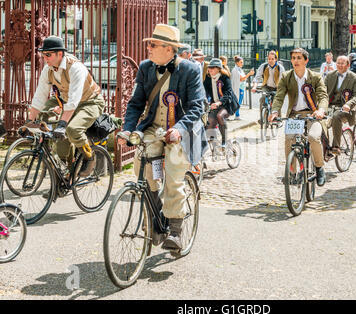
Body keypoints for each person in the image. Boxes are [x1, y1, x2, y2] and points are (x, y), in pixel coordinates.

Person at [118, 24, 207, 251]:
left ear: (169, 49)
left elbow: (198, 106)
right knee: (142, 166)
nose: (148, 48)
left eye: (153, 44)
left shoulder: (190, 69)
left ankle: (176, 232)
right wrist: (128, 129)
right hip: (153, 129)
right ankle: (158, 219)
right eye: (149, 44)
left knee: (174, 172)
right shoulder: (146, 68)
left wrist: (179, 128)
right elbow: (136, 103)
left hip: (180, 131)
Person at [28, 35, 105, 193]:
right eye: (43, 55)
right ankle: (65, 177)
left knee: (72, 130)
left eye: (48, 55)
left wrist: (63, 124)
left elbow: (74, 100)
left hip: (90, 102)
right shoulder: (48, 70)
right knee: (61, 139)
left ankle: (89, 157)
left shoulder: (75, 67)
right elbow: (40, 96)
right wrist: (28, 122)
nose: (45, 58)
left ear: (60, 54)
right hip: (70, 103)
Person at [268, 48, 329, 187]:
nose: (295, 61)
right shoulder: (286, 76)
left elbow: (323, 96)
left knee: (313, 137)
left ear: (306, 60)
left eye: (299, 58)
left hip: (313, 115)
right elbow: (279, 96)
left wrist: (321, 110)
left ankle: (319, 168)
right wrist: (275, 111)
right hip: (294, 115)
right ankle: (292, 172)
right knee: (289, 140)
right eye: (293, 58)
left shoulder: (316, 77)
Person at [325, 55, 356, 154]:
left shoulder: (355, 78)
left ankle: (336, 146)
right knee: (319, 120)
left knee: (336, 116)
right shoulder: (329, 75)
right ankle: (324, 145)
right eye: (338, 63)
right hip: (330, 106)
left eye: (342, 63)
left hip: (346, 109)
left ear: (348, 65)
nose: (339, 65)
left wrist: (348, 104)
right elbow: (323, 92)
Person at [203, 58, 239, 147]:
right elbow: (203, 91)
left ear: (219, 69)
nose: (210, 69)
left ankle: (224, 141)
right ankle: (213, 143)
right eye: (209, 67)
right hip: (214, 104)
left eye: (213, 68)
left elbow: (228, 93)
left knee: (220, 116)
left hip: (227, 104)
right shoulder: (208, 78)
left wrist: (219, 103)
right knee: (210, 120)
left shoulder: (224, 78)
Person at [231, 56, 254, 120]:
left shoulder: (239, 69)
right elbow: (242, 79)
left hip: (241, 87)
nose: (242, 64)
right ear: (237, 63)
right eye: (241, 62)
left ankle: (237, 115)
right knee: (238, 102)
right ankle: (237, 115)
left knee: (239, 102)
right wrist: (249, 74)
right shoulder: (236, 70)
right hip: (238, 87)